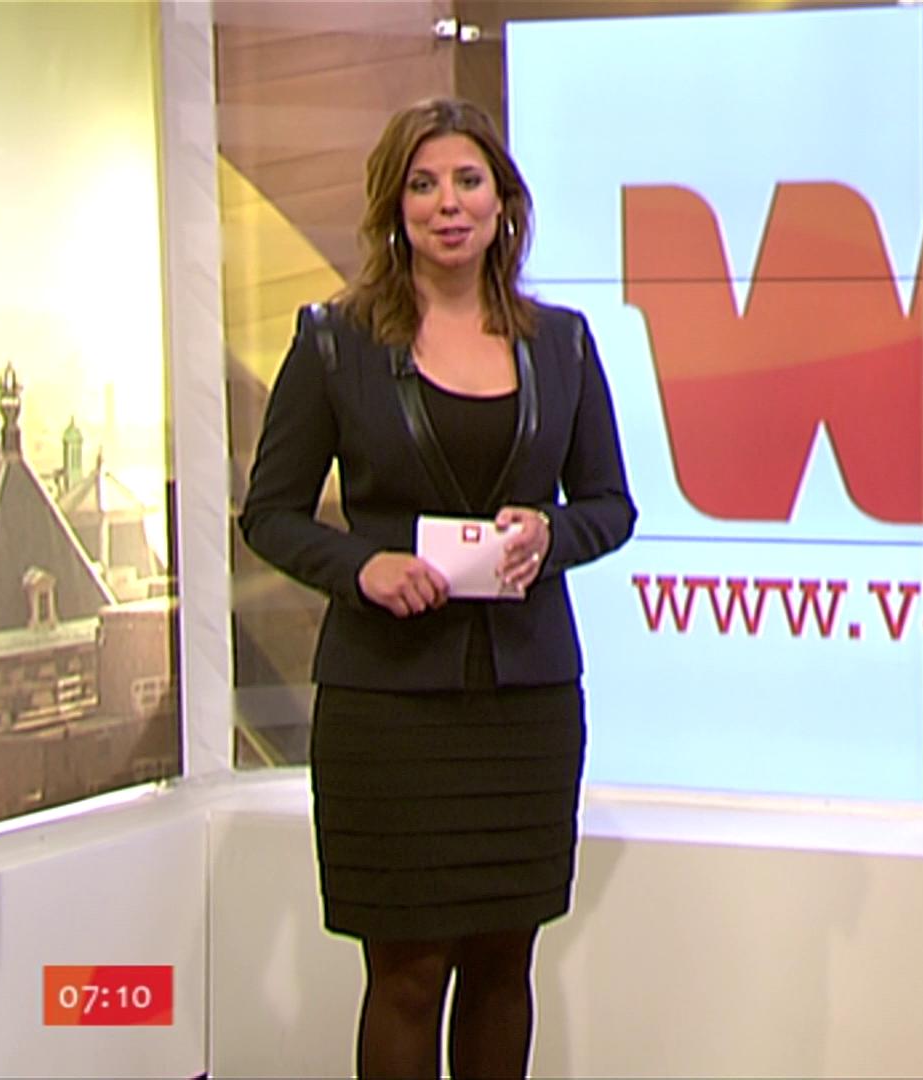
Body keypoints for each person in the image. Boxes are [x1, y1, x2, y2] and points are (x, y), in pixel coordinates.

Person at [239, 97, 635, 1079]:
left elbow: (610, 505)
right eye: (423, 185)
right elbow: (270, 513)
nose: (447, 204)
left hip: (525, 703)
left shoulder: (563, 344)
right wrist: (358, 567)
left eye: (467, 181)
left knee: (504, 962)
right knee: (409, 974)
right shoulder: (334, 342)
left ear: (504, 203)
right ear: (394, 206)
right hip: (389, 705)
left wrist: (552, 535)